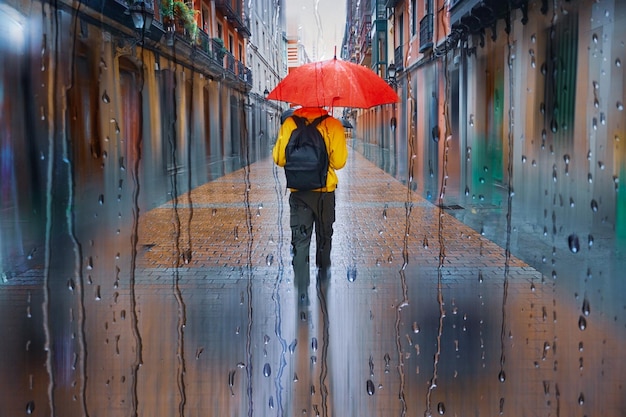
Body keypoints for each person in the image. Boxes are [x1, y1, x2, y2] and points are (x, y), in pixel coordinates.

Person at [272, 107, 348, 301]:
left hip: (299, 193)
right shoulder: (333, 124)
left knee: (300, 241)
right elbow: (339, 163)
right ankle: (323, 284)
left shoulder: (290, 123)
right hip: (325, 192)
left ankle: (301, 290)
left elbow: (279, 159)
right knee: (324, 239)